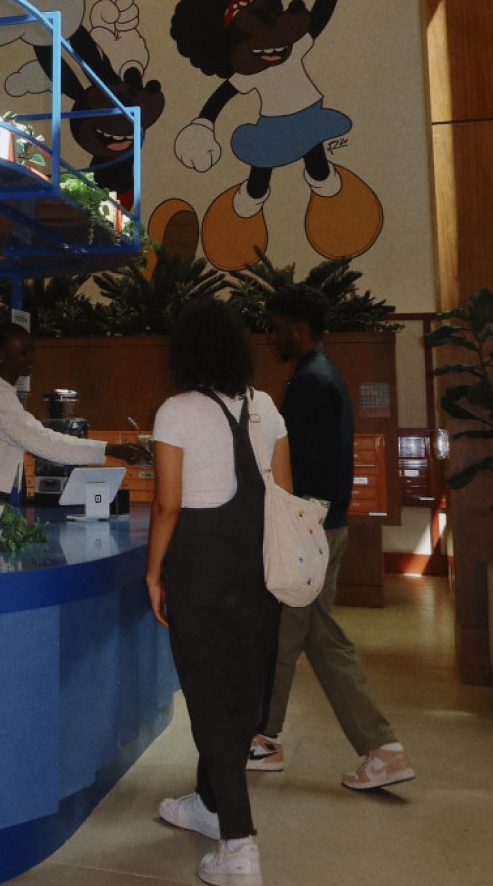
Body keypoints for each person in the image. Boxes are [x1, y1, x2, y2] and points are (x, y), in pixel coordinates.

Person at [146, 299, 291, 886]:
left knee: (207, 701)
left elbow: (167, 503)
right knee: (236, 698)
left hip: (198, 572)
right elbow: (285, 494)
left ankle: (239, 848)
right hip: (260, 571)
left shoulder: (176, 411)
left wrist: (154, 573)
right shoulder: (268, 408)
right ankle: (209, 805)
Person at [247, 283, 414, 791]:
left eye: (275, 328)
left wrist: (279, 512)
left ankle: (265, 739)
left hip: (309, 529)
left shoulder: (310, 385)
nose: (270, 337)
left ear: (298, 330)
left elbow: (304, 467)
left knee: (283, 632)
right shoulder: (321, 377)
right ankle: (381, 749)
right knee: (320, 637)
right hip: (325, 526)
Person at [0, 321, 143, 500]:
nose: (30, 358)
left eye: (32, 351)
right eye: (23, 353)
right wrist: (110, 449)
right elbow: (44, 442)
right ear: (0, 355)